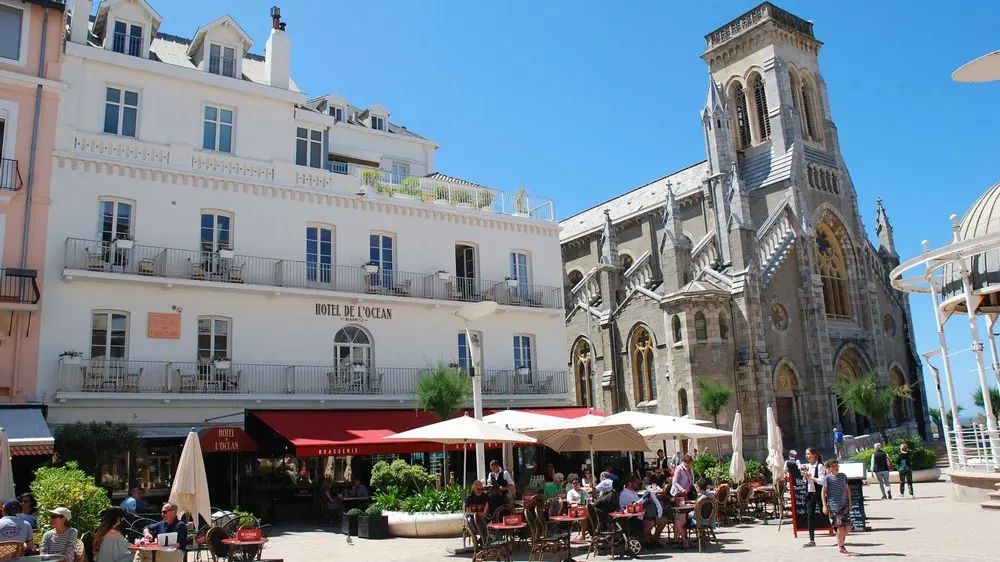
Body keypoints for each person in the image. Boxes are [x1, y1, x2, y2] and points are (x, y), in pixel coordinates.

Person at [822, 459, 852, 555]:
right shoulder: (828, 478)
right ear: (830, 468)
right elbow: (823, 492)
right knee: (840, 527)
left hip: (844, 505)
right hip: (834, 506)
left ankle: (840, 540)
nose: (836, 467)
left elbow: (847, 490)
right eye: (834, 466)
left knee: (848, 527)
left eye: (837, 466)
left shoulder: (843, 476)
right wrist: (824, 505)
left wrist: (850, 503)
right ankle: (841, 546)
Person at [800, 447, 825, 548]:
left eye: (809, 454)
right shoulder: (807, 466)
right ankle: (811, 540)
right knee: (810, 515)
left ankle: (838, 530)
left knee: (824, 514)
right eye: (806, 454)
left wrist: (810, 477)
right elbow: (806, 481)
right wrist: (805, 477)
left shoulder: (819, 466)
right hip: (810, 493)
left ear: (814, 454)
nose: (807, 456)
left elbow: (822, 481)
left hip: (819, 493)